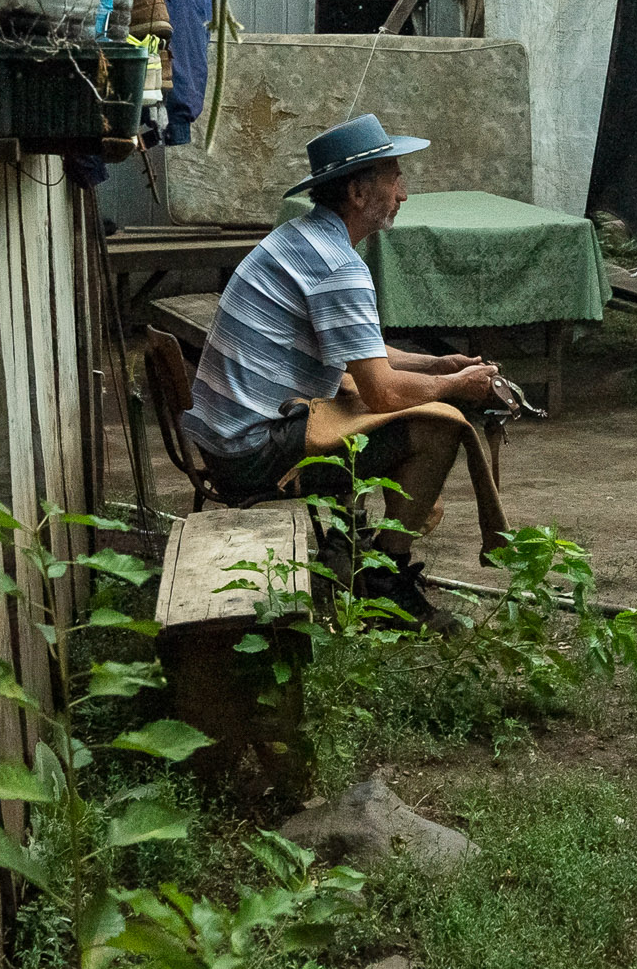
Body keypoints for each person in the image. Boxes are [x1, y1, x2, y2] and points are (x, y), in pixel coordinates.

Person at [179, 114, 500, 619]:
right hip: (250, 453)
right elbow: (384, 393)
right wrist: (456, 387)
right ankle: (382, 580)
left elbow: (364, 352)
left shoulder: (302, 239)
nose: (404, 194)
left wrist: (437, 363)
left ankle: (354, 551)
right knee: (439, 427)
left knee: (378, 398)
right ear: (357, 191)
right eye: (395, 178)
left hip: (232, 437)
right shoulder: (337, 265)